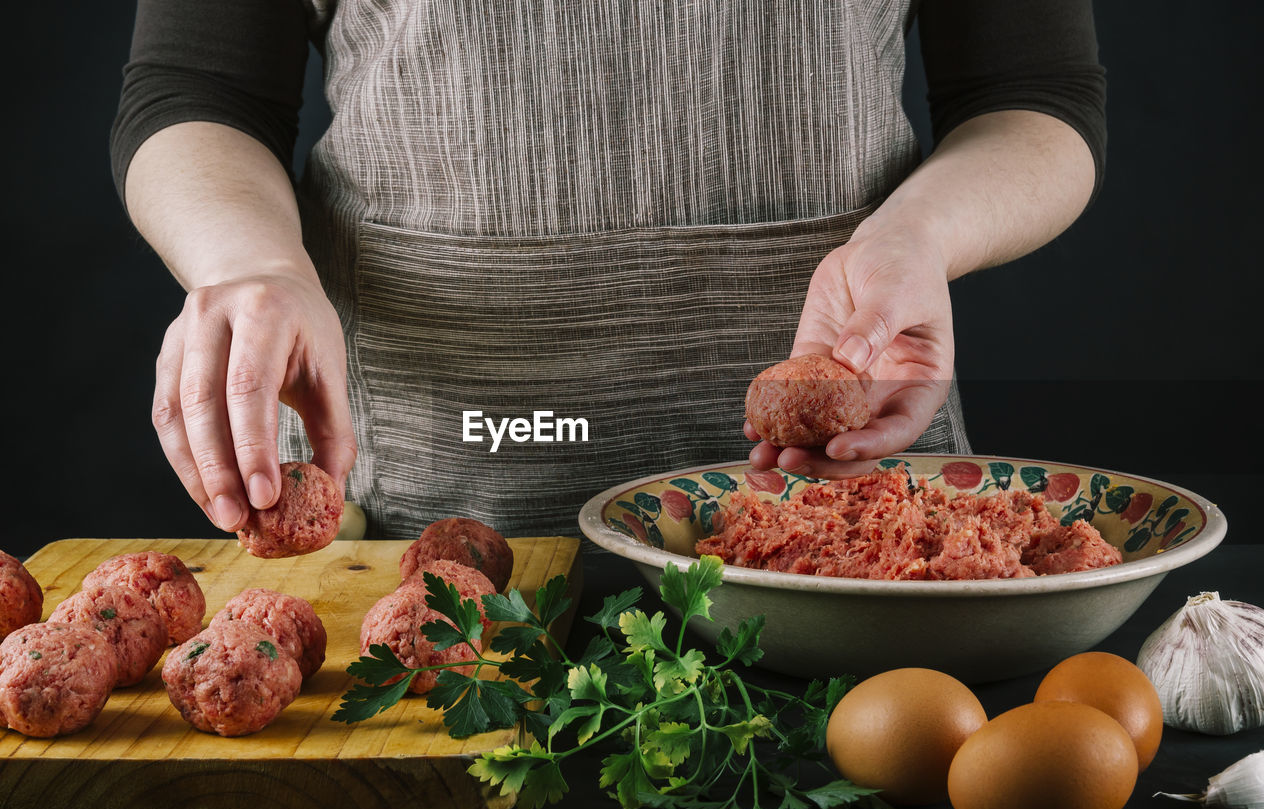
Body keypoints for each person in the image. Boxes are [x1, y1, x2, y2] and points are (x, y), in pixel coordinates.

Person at [111, 1, 1105, 539]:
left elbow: (1033, 94)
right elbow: (200, 88)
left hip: (853, 537)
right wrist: (251, 263)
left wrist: (921, 233)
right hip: (425, 509)